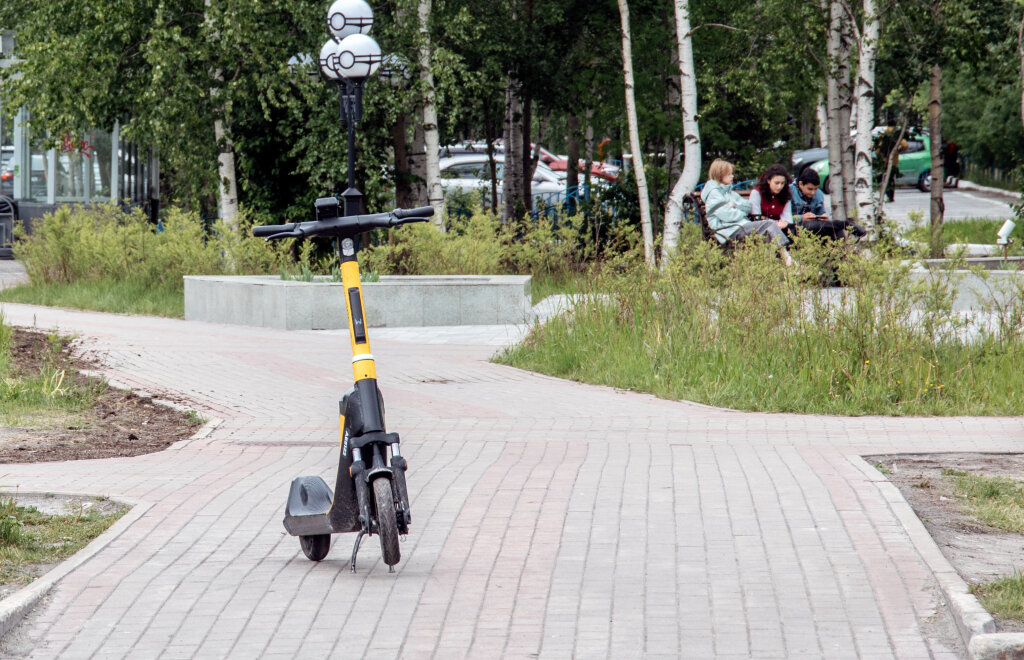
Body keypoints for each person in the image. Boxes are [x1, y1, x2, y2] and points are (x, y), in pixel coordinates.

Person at [701, 158, 794, 265]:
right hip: (729, 231)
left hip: (739, 227)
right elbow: (729, 216)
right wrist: (739, 212)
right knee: (768, 225)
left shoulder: (729, 193)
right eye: (729, 174)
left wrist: (734, 205)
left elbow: (747, 206)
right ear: (720, 175)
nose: (732, 176)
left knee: (769, 231)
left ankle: (782, 264)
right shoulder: (714, 194)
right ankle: (789, 262)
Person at [789, 169, 867, 239]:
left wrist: (823, 216)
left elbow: (821, 212)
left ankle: (842, 253)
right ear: (800, 184)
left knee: (836, 230)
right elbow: (784, 217)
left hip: (816, 226)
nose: (813, 192)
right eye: (810, 189)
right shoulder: (790, 191)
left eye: (815, 189)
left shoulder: (818, 194)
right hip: (796, 227)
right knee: (813, 225)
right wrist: (801, 218)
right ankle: (845, 224)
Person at [749, 164, 794, 235]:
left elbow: (788, 218)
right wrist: (775, 223)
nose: (779, 187)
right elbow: (756, 217)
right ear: (768, 181)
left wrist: (785, 223)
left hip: (780, 227)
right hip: (761, 229)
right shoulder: (757, 193)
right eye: (776, 183)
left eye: (782, 183)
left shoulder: (785, 194)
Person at [873, 124, 908, 202]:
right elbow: (905, 144)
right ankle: (890, 196)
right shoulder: (896, 136)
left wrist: (878, 155)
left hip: (883, 161)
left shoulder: (884, 135)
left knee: (884, 178)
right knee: (891, 180)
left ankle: (885, 194)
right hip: (893, 162)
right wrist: (898, 150)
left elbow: (877, 148)